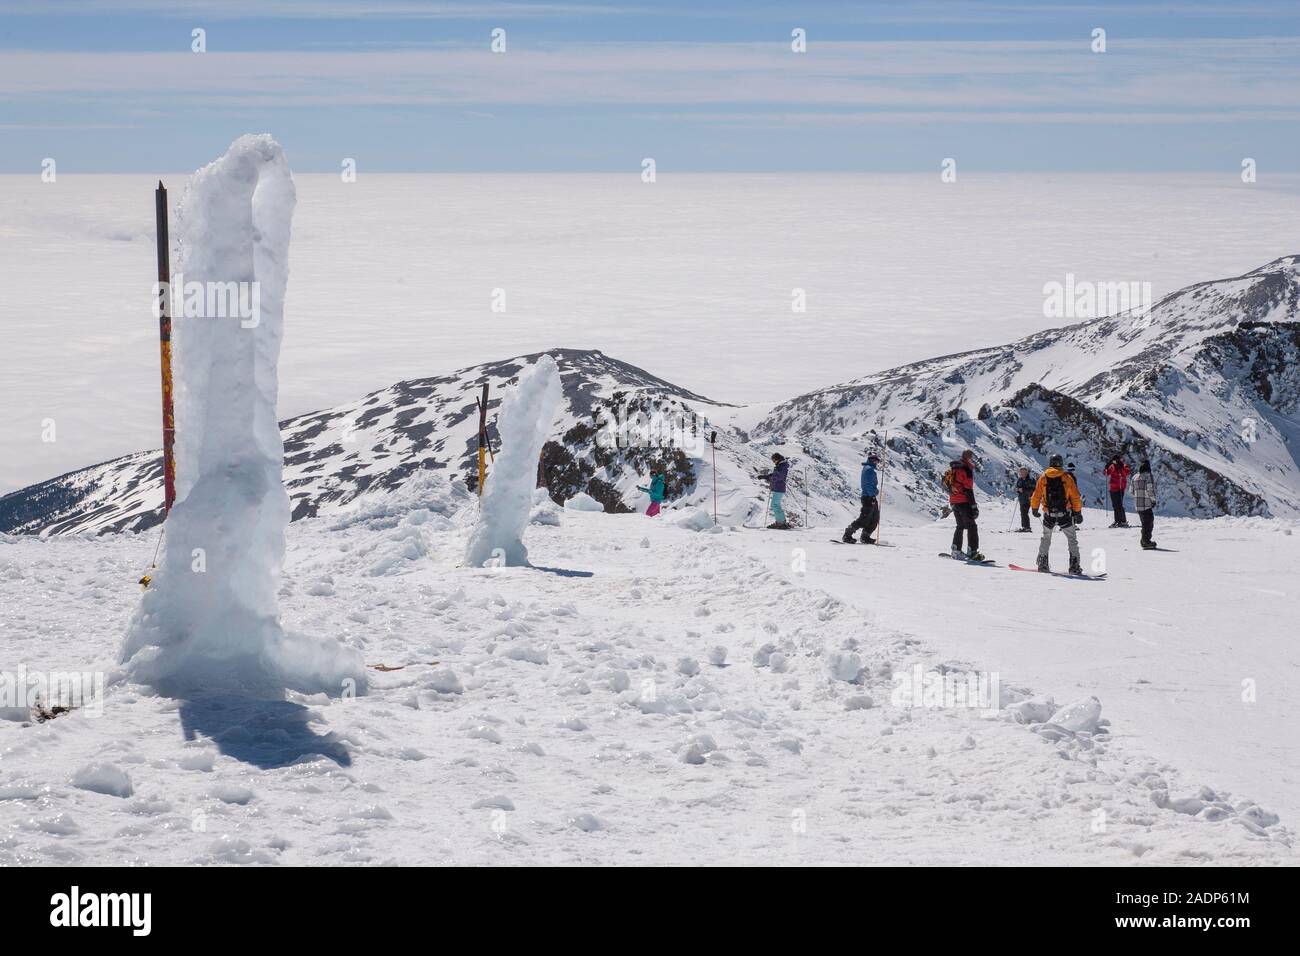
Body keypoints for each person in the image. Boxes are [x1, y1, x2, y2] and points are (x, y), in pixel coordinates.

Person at [1030, 454, 1084, 574]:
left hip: (1049, 514)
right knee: (1071, 539)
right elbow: (1075, 496)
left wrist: (1034, 508)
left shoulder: (1043, 477)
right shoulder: (1067, 477)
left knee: (1046, 538)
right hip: (1065, 514)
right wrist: (1078, 512)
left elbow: (1036, 495)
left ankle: (1043, 564)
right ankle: (1074, 566)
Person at [944, 449, 984, 561]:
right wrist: (974, 507)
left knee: (960, 525)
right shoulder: (966, 469)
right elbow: (968, 490)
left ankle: (955, 550)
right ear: (969, 458)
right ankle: (972, 552)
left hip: (953, 501)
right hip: (963, 501)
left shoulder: (954, 468)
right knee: (972, 526)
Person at [842, 452, 881, 543]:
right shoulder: (869, 470)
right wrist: (873, 493)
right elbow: (867, 485)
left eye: (877, 461)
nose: (876, 462)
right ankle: (847, 534)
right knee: (864, 518)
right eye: (874, 460)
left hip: (871, 497)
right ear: (870, 460)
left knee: (874, 518)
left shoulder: (869, 469)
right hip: (868, 497)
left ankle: (865, 536)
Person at [758, 453, 792, 529]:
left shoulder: (782, 466)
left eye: (774, 460)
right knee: (776, 505)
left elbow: (778, 476)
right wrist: (765, 476)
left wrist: (769, 478)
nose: (773, 462)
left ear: (777, 459)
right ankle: (781, 522)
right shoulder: (781, 465)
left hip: (779, 488)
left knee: (775, 505)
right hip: (778, 488)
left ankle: (781, 523)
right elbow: (775, 474)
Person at [1132, 460, 1157, 549]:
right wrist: (1153, 501)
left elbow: (1131, 491)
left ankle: (1144, 540)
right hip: (1146, 504)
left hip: (1138, 505)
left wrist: (1138, 495)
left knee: (1144, 523)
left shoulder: (1134, 476)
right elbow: (1150, 490)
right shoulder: (1148, 476)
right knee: (1149, 523)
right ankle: (1146, 542)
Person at [1104, 454, 1131, 527]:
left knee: (1119, 505)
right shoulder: (1112, 466)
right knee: (1115, 505)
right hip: (1113, 488)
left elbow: (1127, 472)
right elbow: (1106, 473)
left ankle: (1122, 521)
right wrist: (1107, 466)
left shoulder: (1123, 466)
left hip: (1120, 488)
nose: (1115, 462)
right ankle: (1118, 521)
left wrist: (1121, 466)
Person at [1014, 466, 1036, 532]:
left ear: (1027, 472)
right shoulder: (1019, 479)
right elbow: (1017, 487)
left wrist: (1023, 490)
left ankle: (1027, 527)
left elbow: (1033, 489)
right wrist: (1017, 490)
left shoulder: (1031, 479)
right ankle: (1025, 527)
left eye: (1023, 472)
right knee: (1023, 513)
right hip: (1022, 499)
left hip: (1029, 498)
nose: (1022, 473)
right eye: (1021, 472)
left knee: (1024, 513)